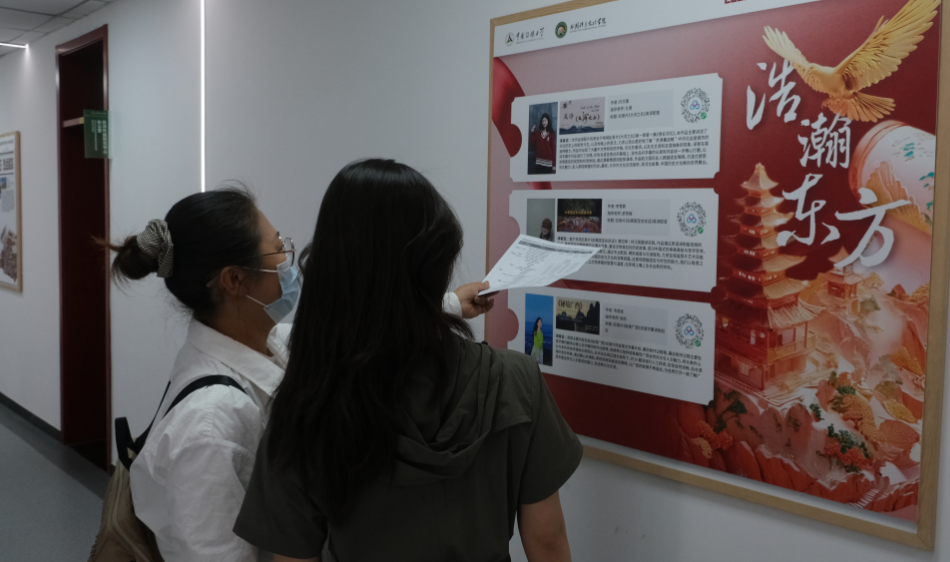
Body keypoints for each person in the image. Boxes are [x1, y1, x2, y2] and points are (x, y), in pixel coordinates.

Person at [101, 186, 493, 561]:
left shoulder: (265, 344)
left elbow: (352, 333)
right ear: (234, 280)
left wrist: (447, 304)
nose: (289, 263)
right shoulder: (210, 427)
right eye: (278, 249)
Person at [234, 159, 582, 562]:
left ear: (330, 270)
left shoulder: (305, 412)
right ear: (437, 267)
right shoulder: (514, 381)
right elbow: (548, 543)